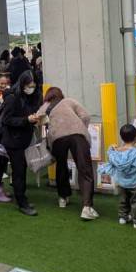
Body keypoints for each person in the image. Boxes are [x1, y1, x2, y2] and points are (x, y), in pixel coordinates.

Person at [37, 86, 97, 220]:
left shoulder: (44, 107)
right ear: (60, 94)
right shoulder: (69, 101)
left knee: (61, 166)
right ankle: (87, 207)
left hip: (57, 138)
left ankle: (63, 198)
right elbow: (85, 116)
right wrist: (81, 127)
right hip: (77, 135)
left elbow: (38, 121)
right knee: (84, 169)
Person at [0, 69, 42, 216]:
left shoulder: (33, 97)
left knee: (21, 169)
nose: (31, 88)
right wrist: (26, 120)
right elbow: (7, 120)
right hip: (13, 140)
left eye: (33, 85)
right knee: (19, 170)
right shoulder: (12, 98)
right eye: (29, 85)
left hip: (24, 138)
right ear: (22, 84)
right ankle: (22, 202)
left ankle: (21, 197)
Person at [99, 123, 136, 228]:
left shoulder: (115, 153)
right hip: (135, 183)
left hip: (121, 182)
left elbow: (109, 153)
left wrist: (111, 147)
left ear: (122, 138)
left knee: (123, 200)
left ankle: (123, 217)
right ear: (135, 138)